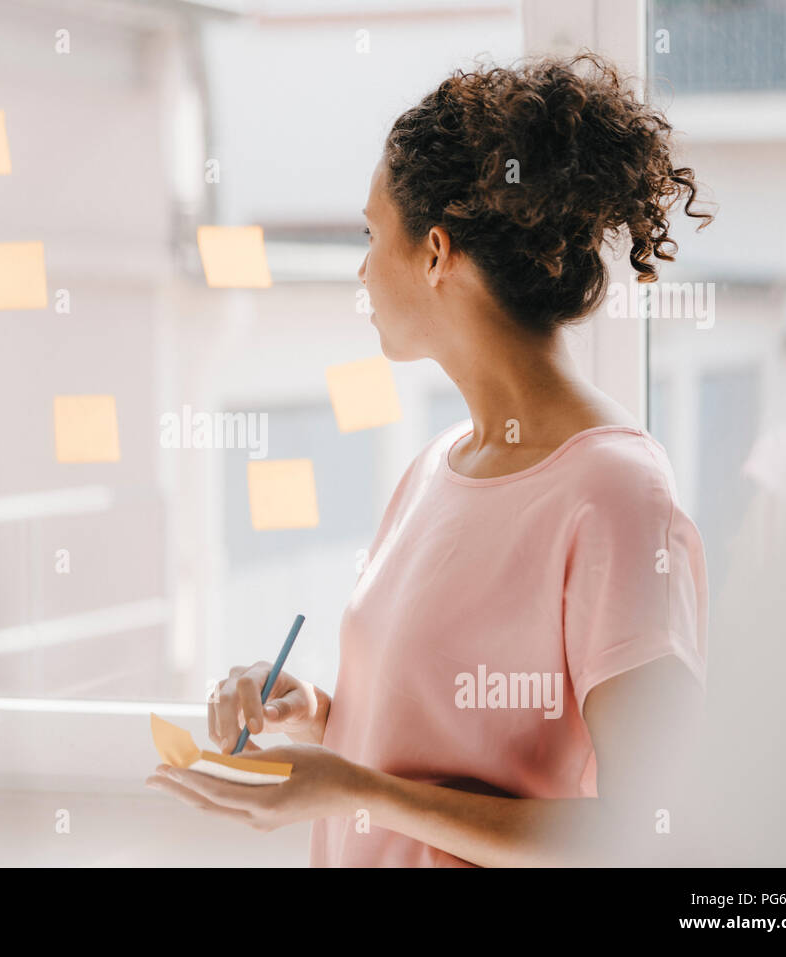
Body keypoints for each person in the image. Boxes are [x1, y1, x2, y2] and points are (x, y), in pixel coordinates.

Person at [147, 52, 715, 866]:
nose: (362, 266)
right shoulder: (435, 470)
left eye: (373, 234)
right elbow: (442, 743)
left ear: (437, 252)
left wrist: (356, 787)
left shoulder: (618, 497)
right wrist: (313, 715)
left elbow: (645, 836)